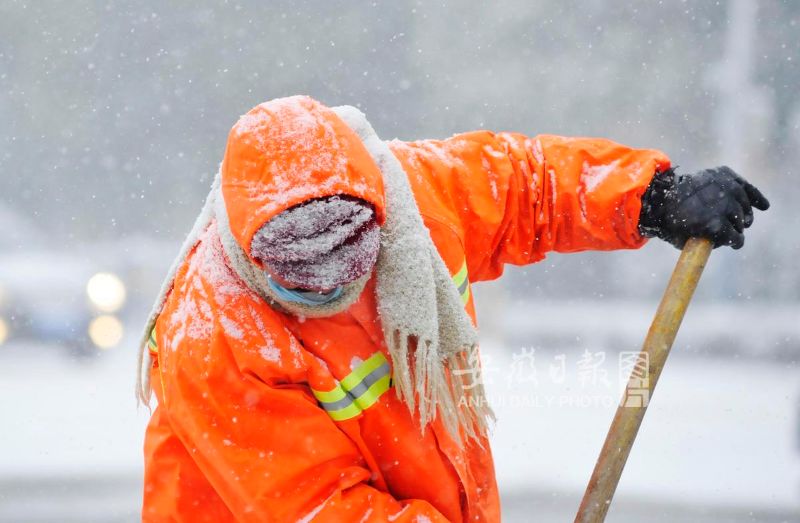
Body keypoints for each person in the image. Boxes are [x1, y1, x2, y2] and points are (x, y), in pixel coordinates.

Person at [137, 95, 768, 522]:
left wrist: (651, 196)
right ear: (253, 255)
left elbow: (529, 184)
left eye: (354, 252)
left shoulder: (413, 199)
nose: (342, 286)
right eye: (306, 275)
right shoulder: (213, 336)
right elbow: (324, 507)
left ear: (376, 210)